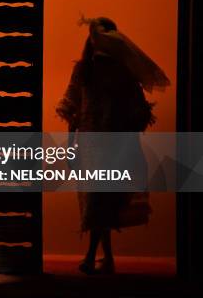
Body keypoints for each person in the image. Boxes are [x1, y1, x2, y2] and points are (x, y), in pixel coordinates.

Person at [56, 16, 169, 275]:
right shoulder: (85, 70)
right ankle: (107, 258)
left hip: (109, 146)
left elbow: (137, 112)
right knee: (97, 200)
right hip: (90, 145)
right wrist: (73, 145)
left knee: (99, 199)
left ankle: (92, 257)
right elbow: (74, 109)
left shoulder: (120, 72)